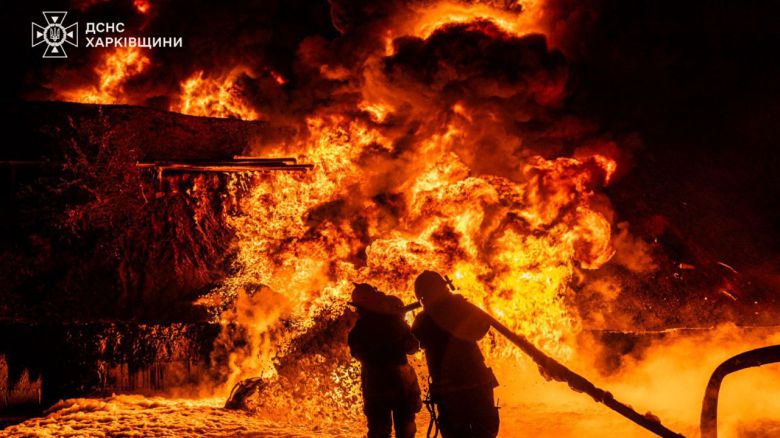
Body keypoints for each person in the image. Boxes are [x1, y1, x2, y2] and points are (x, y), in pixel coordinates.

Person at [411, 271, 499, 438]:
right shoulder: (463, 310)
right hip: (475, 381)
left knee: (456, 432)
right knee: (485, 430)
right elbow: (481, 329)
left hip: (449, 388)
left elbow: (412, 344)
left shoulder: (423, 320)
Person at [348, 283, 422, 438]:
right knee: (406, 432)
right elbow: (413, 347)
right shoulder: (395, 323)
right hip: (401, 384)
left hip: (375, 386)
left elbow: (357, 353)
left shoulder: (359, 329)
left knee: (379, 432)